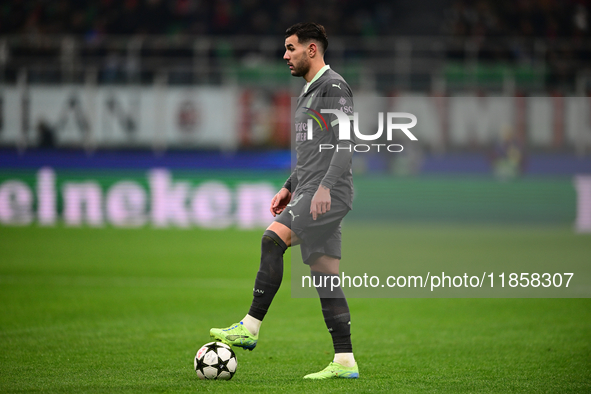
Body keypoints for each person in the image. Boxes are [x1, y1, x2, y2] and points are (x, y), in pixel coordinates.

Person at [210, 22, 358, 380]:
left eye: (291, 48)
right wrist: (289, 185)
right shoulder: (310, 91)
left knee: (272, 239)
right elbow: (311, 152)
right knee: (325, 276)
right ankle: (344, 361)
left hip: (328, 192)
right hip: (311, 189)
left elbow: (345, 144)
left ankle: (249, 327)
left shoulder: (333, 87)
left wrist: (321, 189)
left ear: (312, 49)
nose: (285, 55)